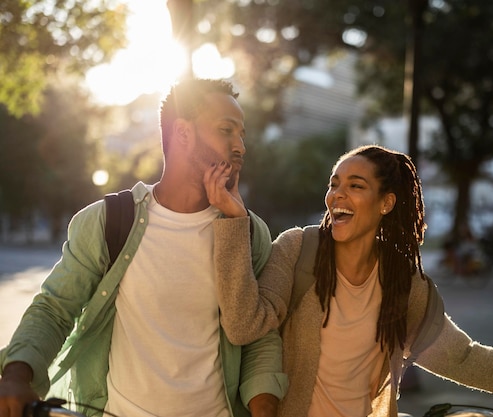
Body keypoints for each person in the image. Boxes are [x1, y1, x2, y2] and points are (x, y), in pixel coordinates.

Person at [206, 144, 493, 417]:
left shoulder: (402, 283)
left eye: (355, 186)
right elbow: (243, 325)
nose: (336, 195)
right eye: (334, 183)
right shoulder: (298, 250)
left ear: (386, 203)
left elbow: (465, 359)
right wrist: (234, 221)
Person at [0, 78, 287, 417]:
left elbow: (258, 336)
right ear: (182, 133)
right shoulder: (108, 221)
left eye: (242, 134)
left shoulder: (249, 231)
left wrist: (265, 406)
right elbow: (55, 309)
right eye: (227, 130)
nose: (240, 146)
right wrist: (16, 374)